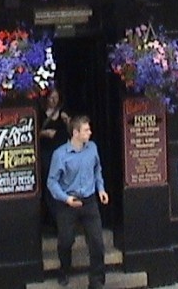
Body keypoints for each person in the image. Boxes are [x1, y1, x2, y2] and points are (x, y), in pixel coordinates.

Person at [47, 115, 108, 288]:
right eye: (86, 130)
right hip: (68, 202)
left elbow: (97, 170)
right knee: (66, 241)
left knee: (97, 242)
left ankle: (96, 281)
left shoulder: (92, 148)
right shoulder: (60, 155)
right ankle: (64, 269)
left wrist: (101, 189)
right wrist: (66, 198)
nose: (90, 132)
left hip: (89, 201)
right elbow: (52, 182)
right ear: (76, 133)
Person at [38, 89, 71, 228]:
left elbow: (71, 133)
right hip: (47, 152)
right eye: (51, 98)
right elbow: (33, 133)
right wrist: (43, 133)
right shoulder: (39, 114)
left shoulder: (62, 113)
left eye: (56, 98)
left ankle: (64, 218)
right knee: (50, 183)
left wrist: (68, 121)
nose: (54, 101)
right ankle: (52, 218)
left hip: (61, 153)